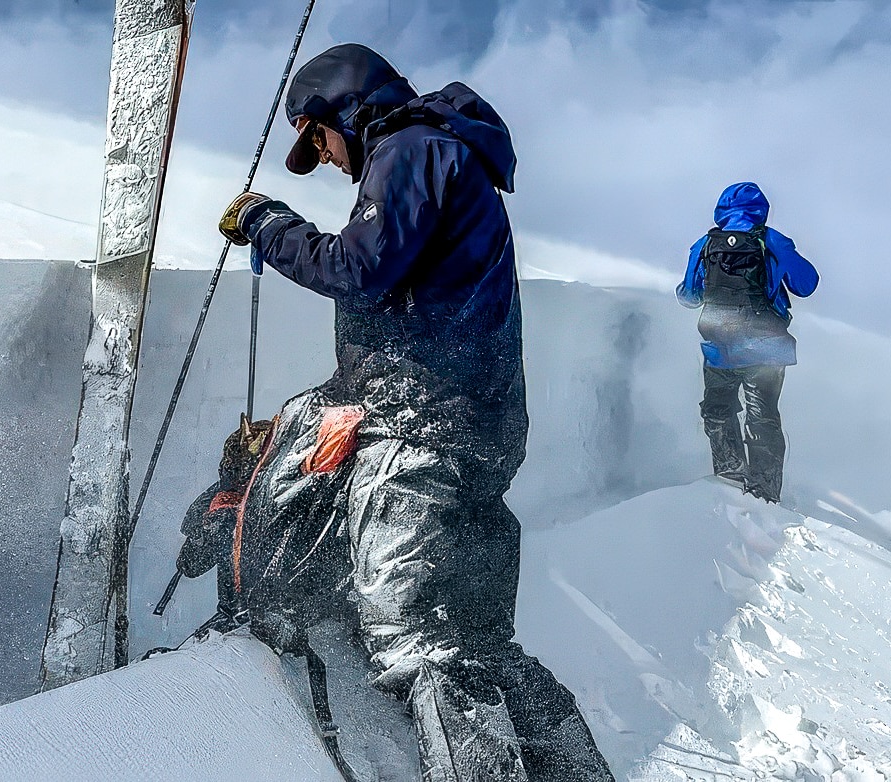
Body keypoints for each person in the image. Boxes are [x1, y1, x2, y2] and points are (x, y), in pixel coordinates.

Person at [214, 43, 613, 781]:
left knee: (415, 637)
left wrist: (270, 224)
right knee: (481, 644)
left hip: (423, 432)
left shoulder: (410, 151)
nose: (327, 158)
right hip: (473, 432)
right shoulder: (448, 156)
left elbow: (359, 271)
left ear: (341, 111)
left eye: (318, 138)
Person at [676, 182, 818, 504]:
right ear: (761, 210)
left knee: (718, 410)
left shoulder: (704, 245)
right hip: (766, 351)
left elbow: (689, 296)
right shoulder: (771, 241)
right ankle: (764, 496)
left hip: (719, 349)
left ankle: (728, 477)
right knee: (762, 416)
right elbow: (807, 284)